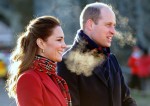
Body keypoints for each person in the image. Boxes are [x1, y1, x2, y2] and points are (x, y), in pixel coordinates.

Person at [57, 2, 137, 106]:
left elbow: (126, 100)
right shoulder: (67, 62)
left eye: (114, 26)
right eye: (108, 25)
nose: (113, 31)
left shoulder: (111, 59)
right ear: (90, 24)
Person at [6, 16, 72, 106]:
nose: (64, 45)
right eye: (59, 40)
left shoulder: (54, 78)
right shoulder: (29, 78)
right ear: (41, 43)